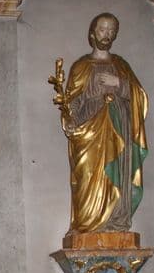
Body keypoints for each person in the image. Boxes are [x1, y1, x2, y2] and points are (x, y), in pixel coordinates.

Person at [60, 13, 148, 235]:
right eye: (102, 29)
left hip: (118, 133)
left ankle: (115, 222)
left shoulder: (121, 66)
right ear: (92, 33)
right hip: (89, 136)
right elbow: (71, 102)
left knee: (117, 176)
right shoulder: (81, 66)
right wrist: (72, 118)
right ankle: (85, 225)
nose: (106, 34)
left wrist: (119, 83)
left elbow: (141, 98)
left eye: (111, 30)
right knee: (87, 176)